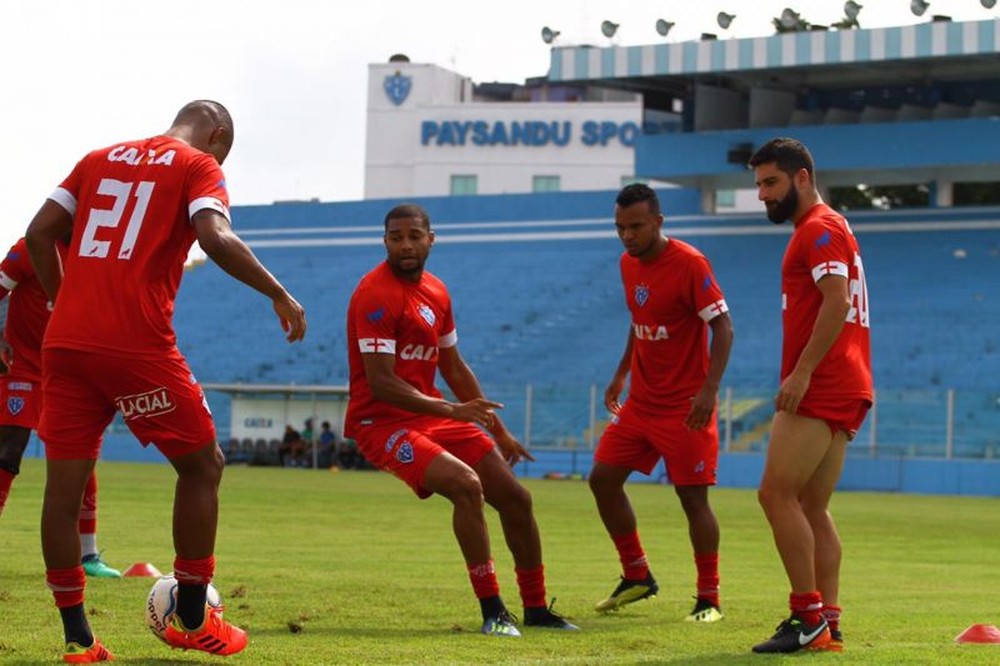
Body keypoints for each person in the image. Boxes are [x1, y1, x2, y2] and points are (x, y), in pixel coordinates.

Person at [26, 100, 307, 662]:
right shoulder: (197, 165)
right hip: (135, 344)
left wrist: (62, 299)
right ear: (219, 135)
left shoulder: (97, 157)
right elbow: (215, 237)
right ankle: (195, 615)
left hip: (67, 343)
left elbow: (38, 234)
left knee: (63, 491)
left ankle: (78, 640)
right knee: (202, 465)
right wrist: (278, 292)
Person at [345, 203, 577, 637]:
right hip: (382, 424)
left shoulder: (437, 292)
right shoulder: (374, 294)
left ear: (431, 239)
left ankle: (536, 608)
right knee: (467, 486)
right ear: (385, 242)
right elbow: (381, 383)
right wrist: (452, 410)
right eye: (396, 238)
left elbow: (453, 367)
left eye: (414, 235)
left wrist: (500, 431)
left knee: (516, 498)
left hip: (432, 415)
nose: (406, 245)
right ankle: (493, 610)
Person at [748, 138, 872, 654]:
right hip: (850, 380)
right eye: (758, 185)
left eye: (770, 183)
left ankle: (807, 617)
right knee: (811, 504)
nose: (762, 195)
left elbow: (837, 299)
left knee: (775, 495)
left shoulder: (818, 228)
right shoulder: (835, 224)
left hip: (823, 382)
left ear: (801, 177)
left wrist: (800, 373)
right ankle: (829, 622)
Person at [588, 184, 734, 622]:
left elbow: (724, 328)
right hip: (641, 404)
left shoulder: (690, 264)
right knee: (602, 480)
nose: (627, 236)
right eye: (620, 228)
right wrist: (621, 372)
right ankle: (637, 575)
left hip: (684, 408)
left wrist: (708, 392)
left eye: (635, 226)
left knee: (693, 502)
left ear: (658, 222)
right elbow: (641, 321)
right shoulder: (627, 264)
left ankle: (709, 599)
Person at [0, 237, 121, 578]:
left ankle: (88, 556)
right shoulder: (29, 248)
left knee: (79, 455)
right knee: (9, 447)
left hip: (67, 369)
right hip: (22, 366)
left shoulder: (97, 254)